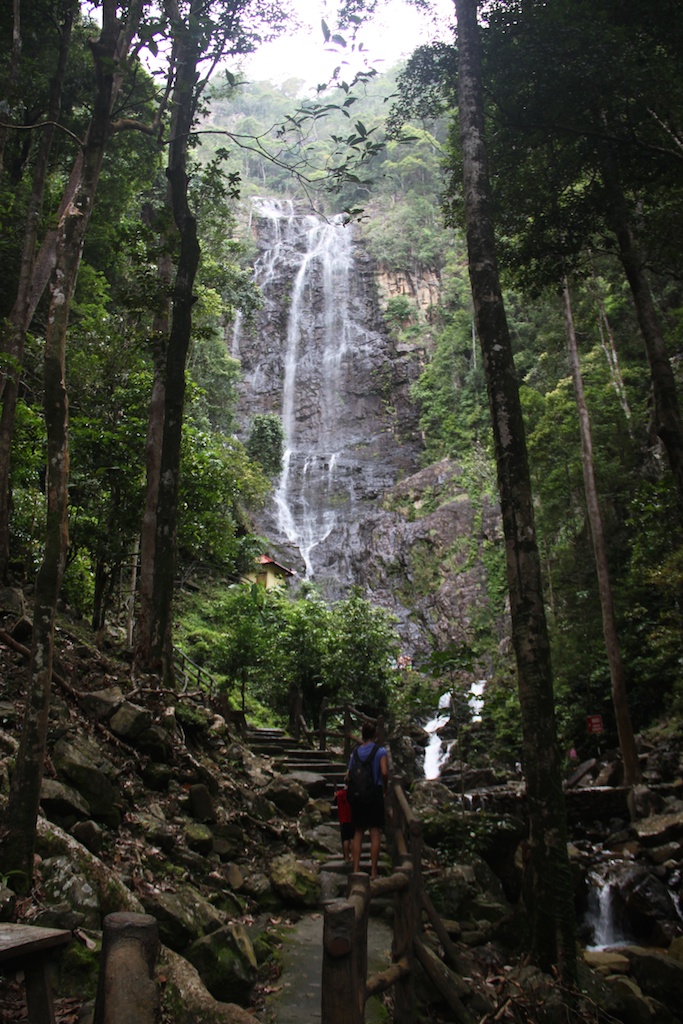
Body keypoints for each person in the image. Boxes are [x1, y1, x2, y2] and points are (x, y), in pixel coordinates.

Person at [348, 722, 388, 880]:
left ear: (362, 734)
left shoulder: (356, 752)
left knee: (357, 832)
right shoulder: (380, 751)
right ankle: (373, 872)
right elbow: (384, 771)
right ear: (375, 734)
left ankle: (356, 869)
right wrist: (385, 787)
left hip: (358, 794)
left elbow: (350, 773)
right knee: (374, 832)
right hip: (374, 793)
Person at [331, 784, 353, 863]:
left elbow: (334, 802)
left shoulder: (339, 794)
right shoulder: (353, 793)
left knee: (346, 839)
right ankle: (353, 856)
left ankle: (346, 857)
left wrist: (335, 795)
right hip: (352, 818)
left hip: (343, 820)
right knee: (353, 838)